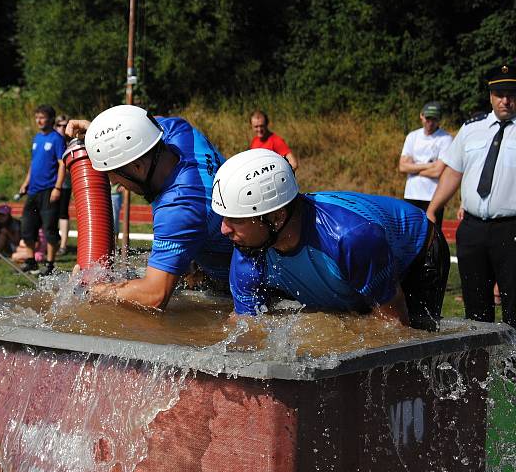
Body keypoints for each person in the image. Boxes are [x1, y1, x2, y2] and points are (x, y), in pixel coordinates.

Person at [213, 149, 449, 330]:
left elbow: (395, 325)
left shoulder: (352, 239)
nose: (224, 229)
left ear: (276, 217)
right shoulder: (249, 245)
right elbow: (246, 324)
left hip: (417, 253)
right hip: (348, 264)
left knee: (407, 347)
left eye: (236, 219)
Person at [65, 105, 233, 309]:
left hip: (232, 283)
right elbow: (136, 127)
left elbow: (154, 295)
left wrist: (90, 290)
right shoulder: (176, 129)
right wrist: (96, 133)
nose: (115, 184)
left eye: (115, 176)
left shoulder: (180, 208)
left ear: (137, 167)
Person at [427, 62, 516, 325]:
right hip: (472, 230)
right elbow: (453, 172)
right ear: (491, 96)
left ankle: (512, 365)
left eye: (511, 94)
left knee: (513, 306)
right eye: (500, 95)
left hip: (510, 229)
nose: (506, 100)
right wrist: (433, 209)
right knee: (476, 308)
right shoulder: (471, 128)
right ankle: (480, 363)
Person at [18, 105, 66, 276]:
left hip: (49, 190)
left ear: (51, 119)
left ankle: (50, 264)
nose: (39, 120)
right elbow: (33, 164)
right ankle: (31, 262)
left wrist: (57, 187)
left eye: (42, 117)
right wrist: (26, 183)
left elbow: (62, 164)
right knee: (27, 227)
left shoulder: (57, 139)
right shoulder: (36, 138)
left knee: (50, 230)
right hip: (33, 191)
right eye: (37, 117)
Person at [398, 101, 453, 229]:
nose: (430, 122)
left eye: (434, 119)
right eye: (428, 118)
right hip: (411, 194)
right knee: (410, 232)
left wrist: (413, 168)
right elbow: (402, 166)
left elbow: (438, 171)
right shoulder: (412, 136)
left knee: (431, 235)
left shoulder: (446, 139)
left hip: (433, 197)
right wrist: (430, 165)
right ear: (421, 116)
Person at [55, 114, 72, 255]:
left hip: (65, 184)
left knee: (62, 213)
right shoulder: (53, 140)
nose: (62, 128)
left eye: (65, 125)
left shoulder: (71, 143)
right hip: (50, 184)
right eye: (59, 125)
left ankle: (63, 245)